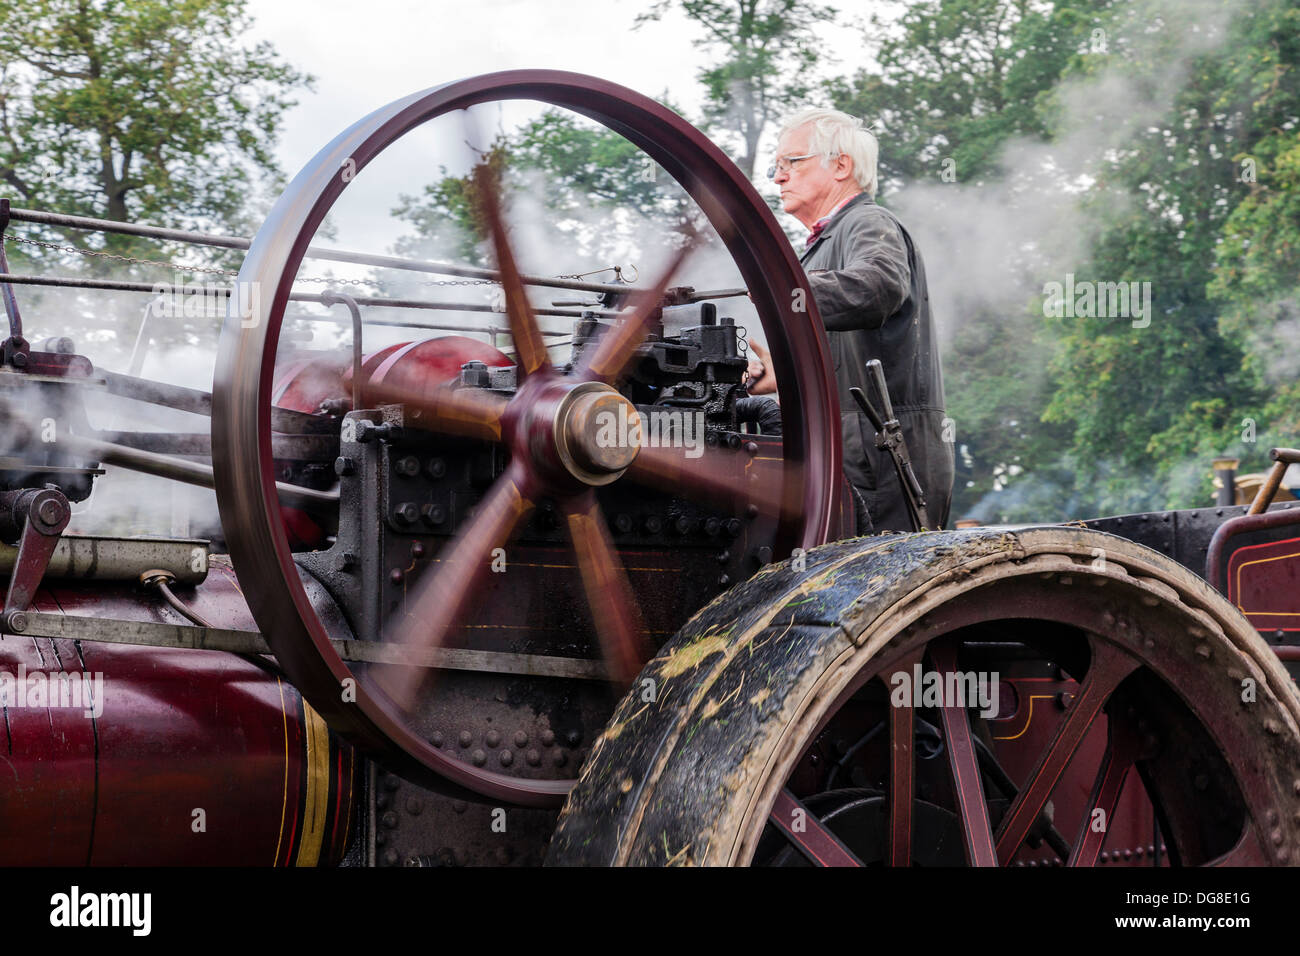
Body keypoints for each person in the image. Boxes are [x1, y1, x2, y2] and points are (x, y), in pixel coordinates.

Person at [745, 108, 953, 532]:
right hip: (859, 449)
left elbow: (878, 287)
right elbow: (844, 357)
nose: (778, 177)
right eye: (776, 166)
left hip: (884, 454)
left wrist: (786, 289)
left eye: (791, 163)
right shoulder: (824, 244)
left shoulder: (868, 222)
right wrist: (782, 378)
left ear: (841, 165)